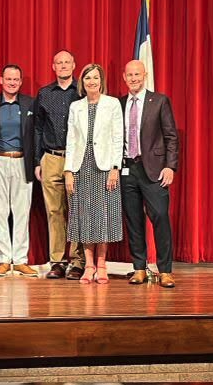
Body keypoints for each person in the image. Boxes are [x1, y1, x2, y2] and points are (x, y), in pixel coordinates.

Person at [120, 60, 179, 288]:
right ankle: (139, 268)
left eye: (137, 74)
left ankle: (165, 271)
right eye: (129, 75)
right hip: (128, 169)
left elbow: (171, 136)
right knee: (134, 221)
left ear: (144, 75)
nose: (134, 78)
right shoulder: (120, 103)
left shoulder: (159, 101)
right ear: (124, 78)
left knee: (161, 218)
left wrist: (170, 166)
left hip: (155, 171)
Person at [64, 64, 123, 284]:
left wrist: (115, 167)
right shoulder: (75, 107)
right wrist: (69, 170)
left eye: (95, 77)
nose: (91, 81)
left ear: (101, 81)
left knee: (104, 215)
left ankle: (102, 264)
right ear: (82, 82)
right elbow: (70, 140)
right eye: (87, 78)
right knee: (85, 216)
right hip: (82, 166)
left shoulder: (112, 104)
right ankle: (88, 266)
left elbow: (118, 137)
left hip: (105, 166)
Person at [34, 50, 85, 280]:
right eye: (59, 62)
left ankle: (77, 261)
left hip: (77, 159)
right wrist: (38, 160)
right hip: (51, 157)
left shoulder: (83, 92)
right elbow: (37, 129)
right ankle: (57, 261)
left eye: (67, 62)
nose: (63, 65)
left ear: (74, 65)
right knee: (54, 212)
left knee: (76, 212)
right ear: (53, 66)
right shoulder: (44, 94)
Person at [0, 65, 37, 277]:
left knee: (21, 212)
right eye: (8, 79)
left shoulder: (30, 103)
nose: (12, 82)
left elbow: (36, 134)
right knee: (0, 212)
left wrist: (36, 162)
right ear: (1, 80)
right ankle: (3, 260)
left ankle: (20, 260)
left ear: (20, 81)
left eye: (16, 79)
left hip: (22, 162)